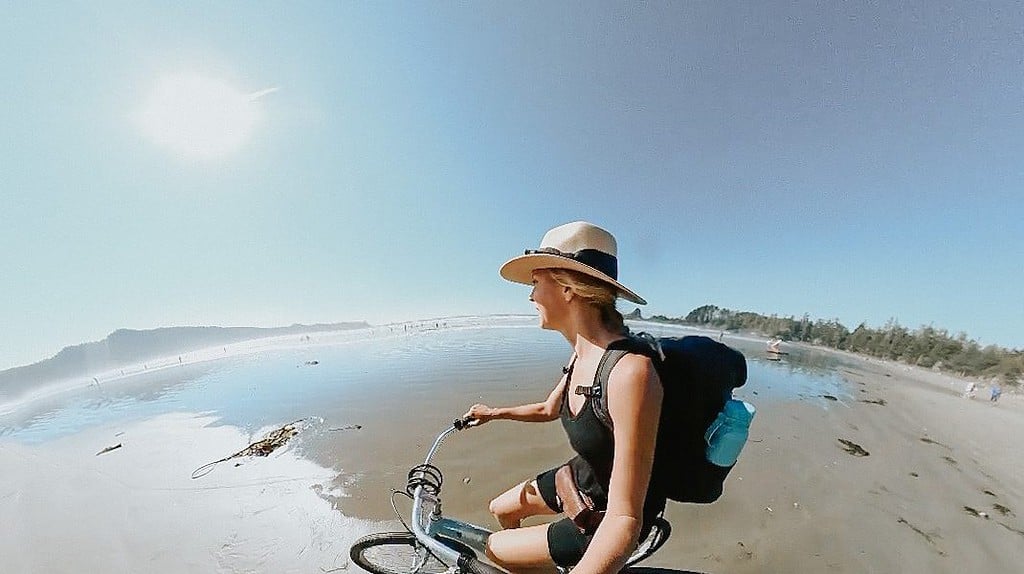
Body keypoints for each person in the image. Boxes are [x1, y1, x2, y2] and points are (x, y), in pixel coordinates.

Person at [462, 221, 665, 574]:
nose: (530, 296)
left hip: (603, 517)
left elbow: (625, 518)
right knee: (501, 509)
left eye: (536, 282)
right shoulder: (582, 353)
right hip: (583, 476)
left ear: (567, 288)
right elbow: (548, 409)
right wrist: (493, 413)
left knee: (495, 549)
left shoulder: (631, 373)